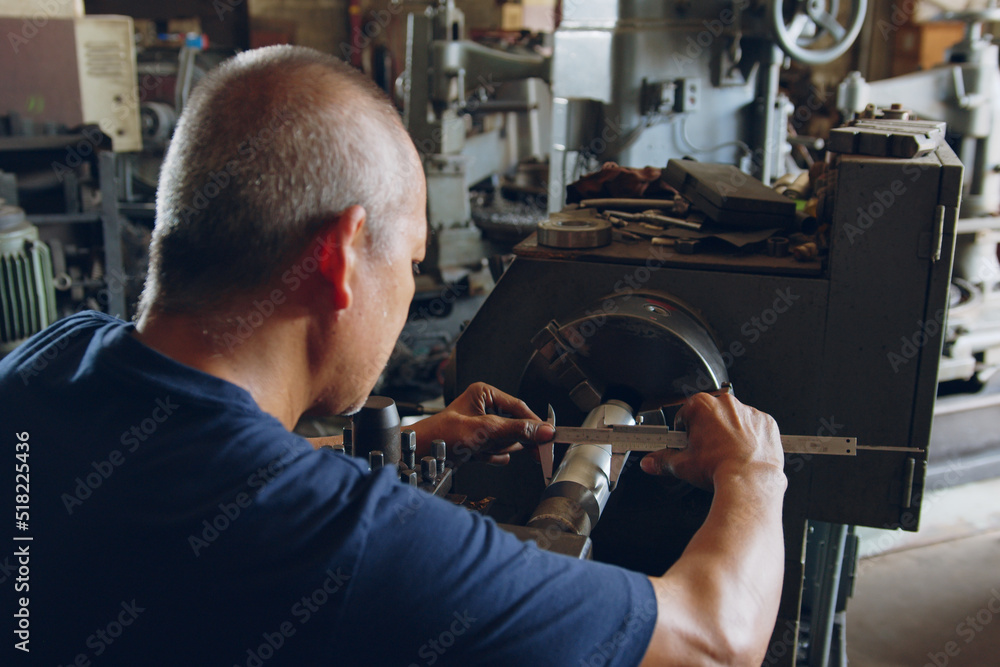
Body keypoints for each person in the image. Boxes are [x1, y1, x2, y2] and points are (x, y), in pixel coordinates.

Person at [0, 46, 786, 666]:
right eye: (412, 262)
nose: (411, 288)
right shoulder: (353, 540)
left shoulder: (46, 364)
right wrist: (754, 474)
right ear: (341, 257)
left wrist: (408, 439)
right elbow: (716, 643)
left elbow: (182, 482)